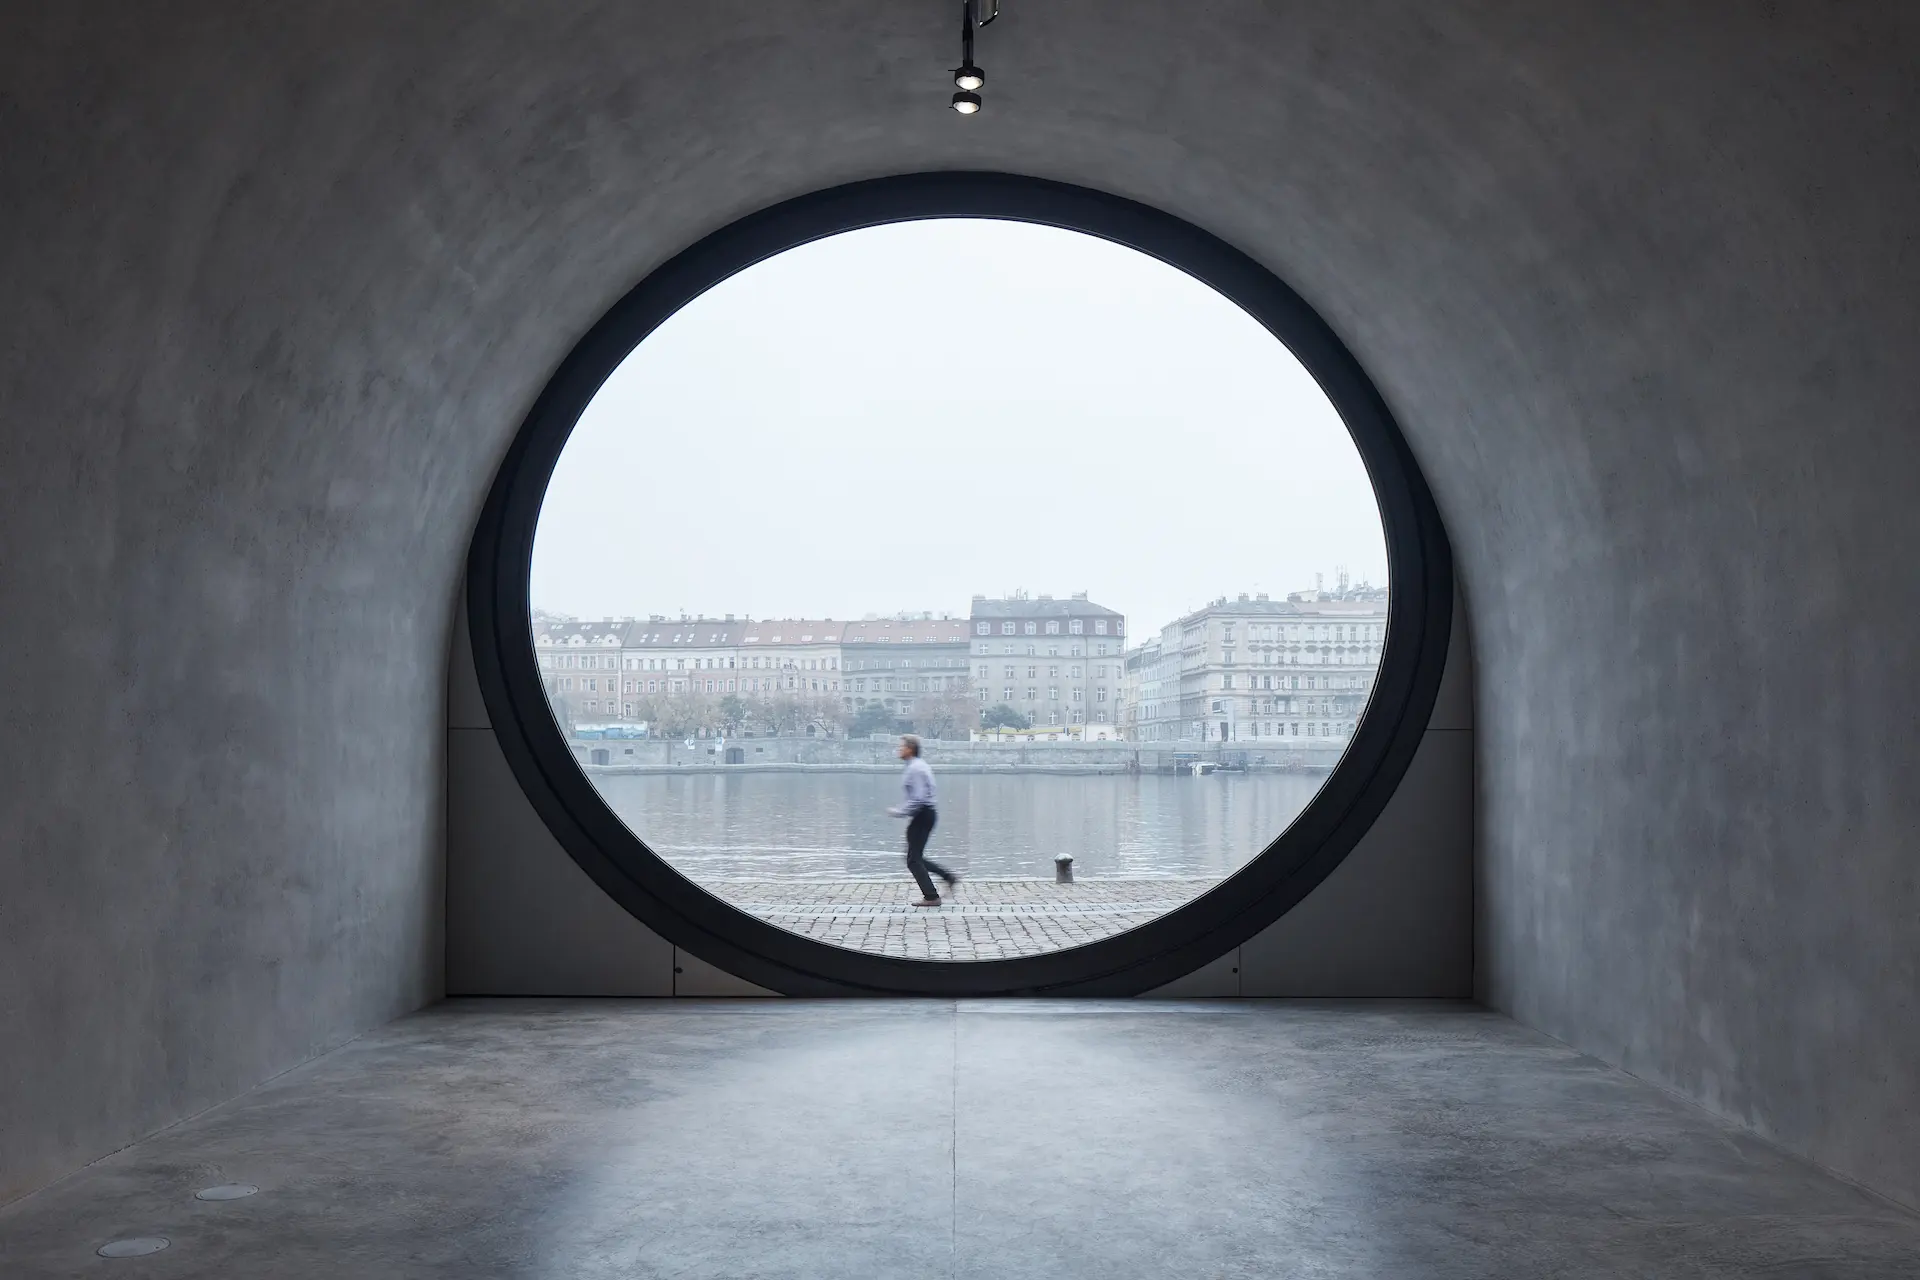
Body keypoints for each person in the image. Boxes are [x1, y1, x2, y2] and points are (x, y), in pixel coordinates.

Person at [887, 734, 956, 907]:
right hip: (924, 814)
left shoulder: (915, 769)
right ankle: (948, 877)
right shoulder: (917, 766)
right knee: (915, 857)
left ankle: (932, 896)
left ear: (910, 749)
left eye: (901, 746)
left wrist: (899, 811)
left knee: (913, 859)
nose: (899, 749)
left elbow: (918, 798)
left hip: (922, 814)